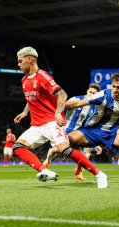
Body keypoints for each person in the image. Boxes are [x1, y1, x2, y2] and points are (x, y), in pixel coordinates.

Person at [13, 46, 108, 188]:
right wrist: (25, 112)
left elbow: (62, 94)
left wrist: (58, 112)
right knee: (18, 146)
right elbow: (31, 98)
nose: (18, 64)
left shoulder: (43, 76)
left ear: (30, 59)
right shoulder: (24, 80)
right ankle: (44, 171)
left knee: (64, 149)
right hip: (37, 125)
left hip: (52, 121)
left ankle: (99, 174)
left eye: (21, 61)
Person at [42, 83, 102, 181]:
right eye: (90, 91)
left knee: (88, 150)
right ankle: (47, 160)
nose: (91, 94)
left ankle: (78, 173)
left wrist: (95, 143)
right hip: (67, 130)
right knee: (57, 150)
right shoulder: (76, 99)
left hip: (80, 133)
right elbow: (60, 108)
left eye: (94, 93)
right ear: (87, 91)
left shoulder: (96, 108)